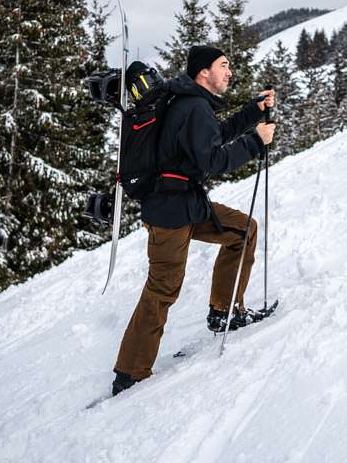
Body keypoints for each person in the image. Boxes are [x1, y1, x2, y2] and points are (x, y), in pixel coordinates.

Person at [111, 44, 276, 395]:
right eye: (223, 65)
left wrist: (252, 112)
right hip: (170, 214)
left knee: (243, 230)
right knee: (162, 289)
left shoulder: (189, 102)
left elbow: (209, 141)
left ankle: (224, 311)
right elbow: (210, 162)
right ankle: (130, 372)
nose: (229, 72)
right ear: (204, 72)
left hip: (186, 205)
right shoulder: (194, 107)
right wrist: (255, 143)